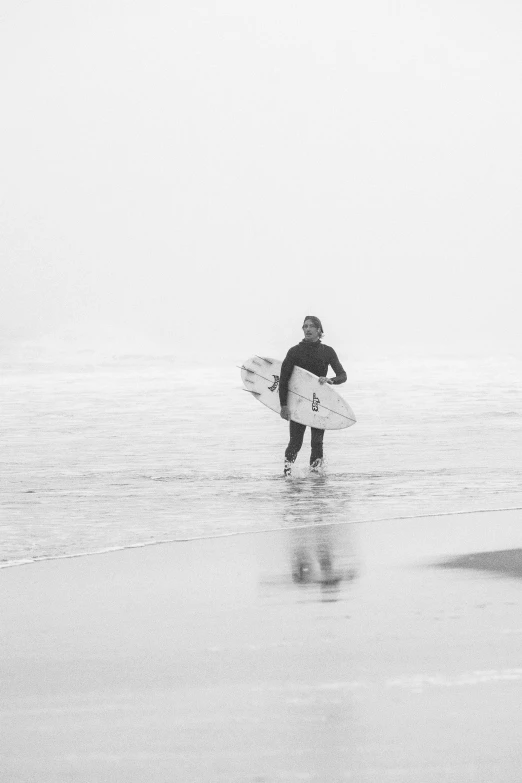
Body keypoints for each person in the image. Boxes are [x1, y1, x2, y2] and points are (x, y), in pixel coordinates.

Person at [279, 316, 347, 476]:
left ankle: (316, 477)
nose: (307, 329)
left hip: (319, 402)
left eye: (311, 326)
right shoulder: (294, 352)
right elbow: (284, 380)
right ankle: (287, 474)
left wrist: (331, 380)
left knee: (317, 442)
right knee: (295, 442)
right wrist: (283, 405)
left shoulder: (327, 351)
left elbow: (343, 375)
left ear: (319, 330)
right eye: (304, 326)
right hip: (299, 402)